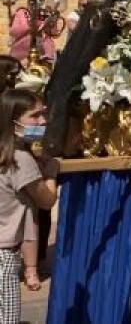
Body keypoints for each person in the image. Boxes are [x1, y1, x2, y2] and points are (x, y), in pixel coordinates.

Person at [0, 89, 59, 324]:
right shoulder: (20, 159)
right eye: (35, 116)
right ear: (12, 121)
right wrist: (51, 174)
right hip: (4, 255)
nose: (43, 121)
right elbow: (46, 200)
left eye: (43, 114)